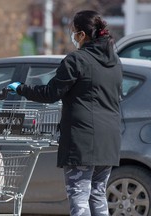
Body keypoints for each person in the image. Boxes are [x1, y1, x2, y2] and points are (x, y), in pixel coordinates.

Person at [7, 10, 122, 216]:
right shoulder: (115, 63)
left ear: (82, 35)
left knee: (79, 196)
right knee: (97, 194)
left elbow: (51, 93)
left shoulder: (76, 60)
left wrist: (21, 88)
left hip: (82, 140)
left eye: (74, 32)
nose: (73, 36)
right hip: (110, 140)